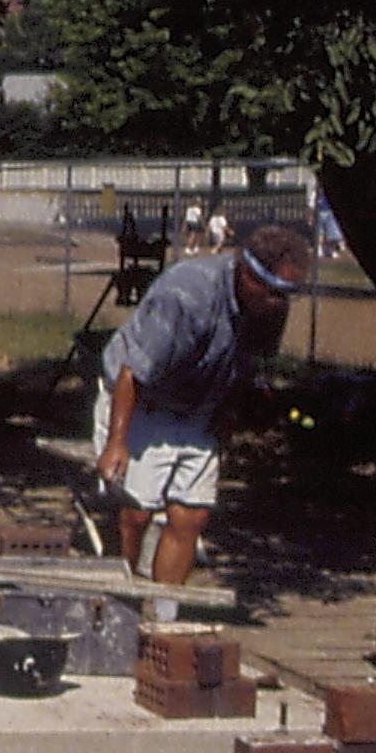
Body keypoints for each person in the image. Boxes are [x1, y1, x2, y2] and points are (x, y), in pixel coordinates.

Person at [92, 222, 314, 602]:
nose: (281, 303)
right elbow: (133, 373)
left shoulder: (269, 310)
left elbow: (248, 366)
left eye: (288, 294)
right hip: (141, 402)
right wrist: (117, 442)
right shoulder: (187, 295)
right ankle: (118, 610)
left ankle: (164, 619)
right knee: (135, 515)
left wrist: (231, 414)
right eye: (275, 292)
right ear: (248, 275)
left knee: (190, 517)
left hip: (198, 407)